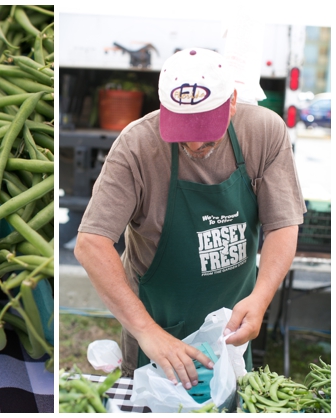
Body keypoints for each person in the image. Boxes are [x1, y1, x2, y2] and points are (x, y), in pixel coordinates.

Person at [74, 48, 305, 389]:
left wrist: (261, 298)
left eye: (206, 131)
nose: (195, 144)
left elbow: (282, 224)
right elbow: (91, 244)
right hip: (157, 326)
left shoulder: (263, 132)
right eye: (183, 130)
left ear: (232, 103)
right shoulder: (137, 146)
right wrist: (147, 331)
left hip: (232, 328)